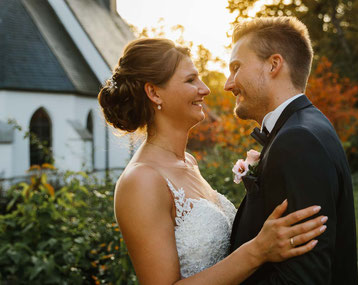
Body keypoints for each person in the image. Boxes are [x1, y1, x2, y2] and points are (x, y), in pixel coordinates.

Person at [98, 38, 328, 284]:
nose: (205, 89)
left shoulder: (189, 162)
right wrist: (257, 251)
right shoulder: (141, 180)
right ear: (154, 92)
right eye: (190, 80)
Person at [224, 16, 358, 284]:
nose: (228, 84)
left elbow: (302, 277)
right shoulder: (310, 123)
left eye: (236, 67)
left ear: (274, 64)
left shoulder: (297, 139)